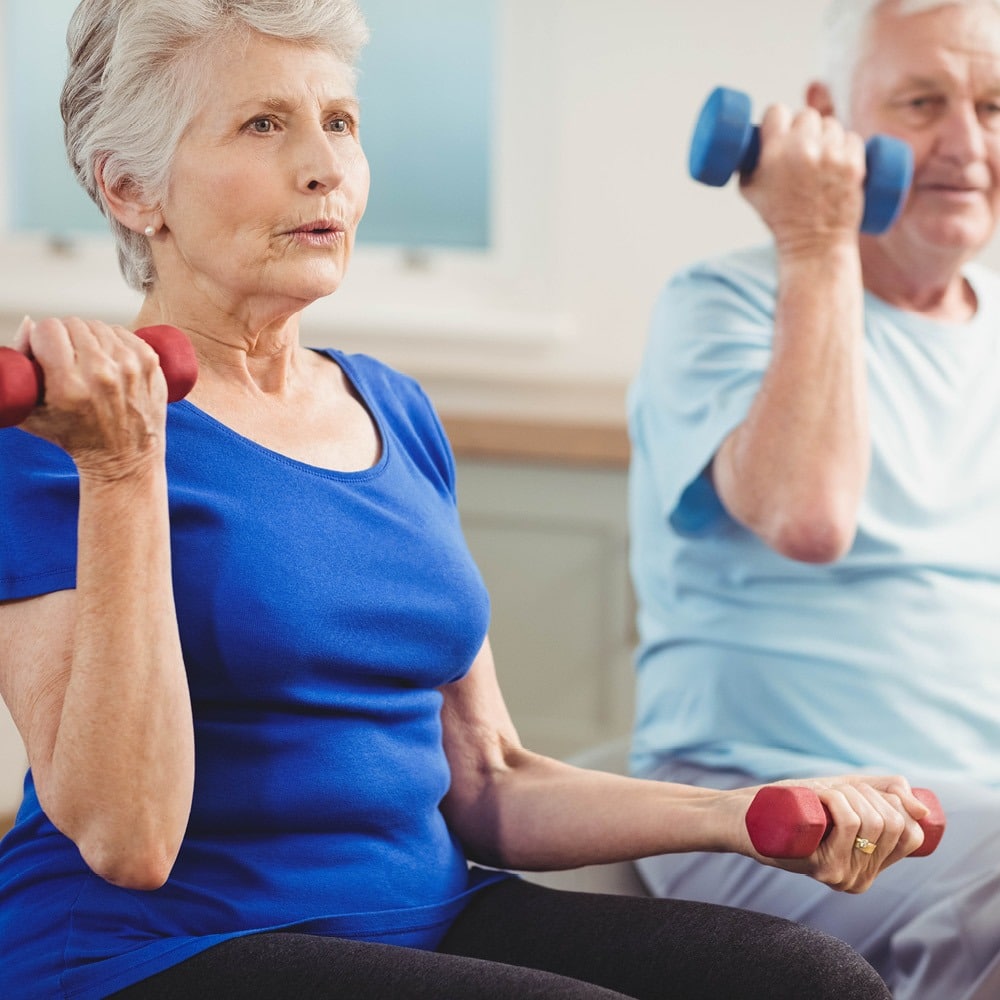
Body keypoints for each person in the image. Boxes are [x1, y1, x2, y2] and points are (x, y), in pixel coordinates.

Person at [0, 2, 928, 998]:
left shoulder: (390, 408)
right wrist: (127, 463)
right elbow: (125, 838)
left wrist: (736, 814)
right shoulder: (66, 441)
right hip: (149, 950)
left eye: (341, 121)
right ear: (132, 188)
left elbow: (488, 777)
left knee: (809, 980)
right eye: (263, 125)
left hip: (428, 917)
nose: (325, 167)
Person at [628, 0, 1000, 997]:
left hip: (970, 810)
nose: (966, 143)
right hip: (763, 802)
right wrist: (815, 240)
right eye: (923, 102)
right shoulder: (720, 302)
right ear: (833, 121)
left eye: (995, 106)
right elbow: (808, 514)